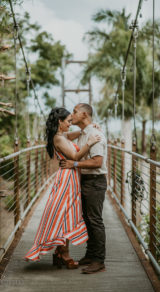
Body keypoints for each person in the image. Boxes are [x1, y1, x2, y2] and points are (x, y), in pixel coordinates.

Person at [24, 107, 101, 269]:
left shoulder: (62, 136)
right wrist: (90, 142)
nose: (70, 124)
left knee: (66, 214)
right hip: (67, 178)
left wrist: (90, 129)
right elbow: (74, 157)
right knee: (62, 213)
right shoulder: (58, 139)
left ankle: (60, 253)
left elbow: (76, 134)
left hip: (72, 177)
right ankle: (63, 253)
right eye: (68, 121)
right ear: (60, 122)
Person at [60, 103, 107, 274]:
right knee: (87, 220)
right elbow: (60, 136)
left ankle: (99, 261)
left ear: (85, 114)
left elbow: (97, 162)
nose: (72, 115)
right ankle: (90, 254)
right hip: (85, 180)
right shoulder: (85, 133)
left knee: (95, 220)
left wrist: (75, 164)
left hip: (95, 181)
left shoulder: (94, 134)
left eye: (74, 112)